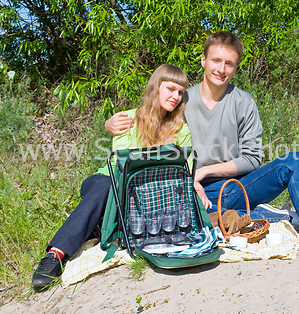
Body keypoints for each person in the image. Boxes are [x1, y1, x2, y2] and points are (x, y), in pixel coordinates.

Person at [105, 32, 299, 249]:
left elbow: (252, 158)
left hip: (237, 186)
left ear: (235, 68)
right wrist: (110, 124)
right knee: (211, 223)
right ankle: (267, 215)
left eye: (229, 63)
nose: (221, 69)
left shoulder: (244, 102)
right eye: (216, 60)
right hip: (193, 193)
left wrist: (206, 169)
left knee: (296, 160)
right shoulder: (182, 99)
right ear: (204, 60)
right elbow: (151, 118)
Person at [32, 64, 191, 288]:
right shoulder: (127, 118)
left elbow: (185, 168)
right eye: (171, 89)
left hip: (151, 194)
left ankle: (98, 225)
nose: (176, 96)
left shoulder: (180, 128)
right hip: (109, 182)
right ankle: (56, 254)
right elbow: (123, 164)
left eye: (180, 92)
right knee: (107, 187)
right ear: (156, 88)